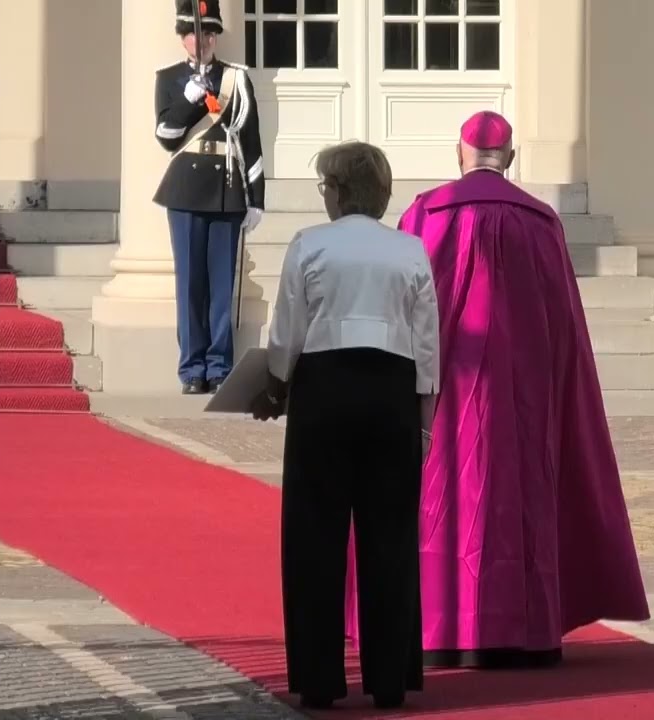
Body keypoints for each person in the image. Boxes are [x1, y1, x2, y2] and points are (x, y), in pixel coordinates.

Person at [341, 110, 649, 669]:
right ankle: (522, 631)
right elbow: (565, 323)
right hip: (521, 393)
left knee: (437, 498)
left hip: (441, 391)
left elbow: (403, 303)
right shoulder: (540, 221)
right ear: (509, 157)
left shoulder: (427, 213)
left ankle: (437, 628)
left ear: (459, 153)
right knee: (518, 497)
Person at [253, 141, 438, 711]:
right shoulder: (409, 249)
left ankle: (318, 680)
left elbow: (287, 334)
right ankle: (390, 679)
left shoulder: (310, 244)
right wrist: (424, 427)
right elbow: (428, 348)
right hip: (392, 394)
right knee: (390, 538)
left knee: (315, 536)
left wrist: (276, 387)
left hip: (324, 391)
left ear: (336, 192)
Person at [154, 0, 265, 395]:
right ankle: (191, 368)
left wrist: (256, 198)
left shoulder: (236, 79)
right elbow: (166, 137)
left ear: (215, 37)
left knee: (221, 285)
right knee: (190, 285)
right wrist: (188, 101)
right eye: (193, 35)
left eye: (207, 35)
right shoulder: (168, 78)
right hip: (185, 189)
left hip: (226, 188)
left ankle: (219, 365)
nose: (200, 41)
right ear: (183, 39)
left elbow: (250, 139)